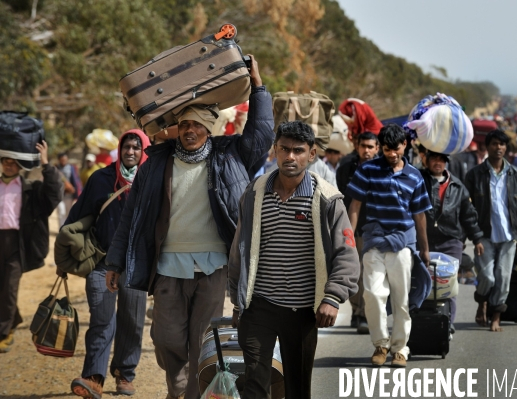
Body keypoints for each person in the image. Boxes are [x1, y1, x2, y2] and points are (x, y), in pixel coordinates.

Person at [105, 55, 274, 399]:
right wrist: (115, 261)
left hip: (213, 267)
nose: (191, 131)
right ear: (177, 129)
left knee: (202, 343)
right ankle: (176, 386)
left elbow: (260, 135)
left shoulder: (230, 157)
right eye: (185, 125)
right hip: (168, 268)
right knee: (166, 339)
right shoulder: (156, 165)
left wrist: (258, 87)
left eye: (197, 125)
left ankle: (190, 395)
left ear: (209, 128)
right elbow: (132, 216)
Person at [228, 121, 359, 399]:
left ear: (311, 155)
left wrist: (332, 297)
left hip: (302, 311)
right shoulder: (254, 194)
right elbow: (239, 248)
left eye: (298, 151)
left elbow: (346, 252)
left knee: (297, 388)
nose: (290, 157)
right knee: (254, 384)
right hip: (258, 306)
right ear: (274, 151)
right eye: (284, 149)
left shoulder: (326, 199)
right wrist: (237, 300)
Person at [65, 130, 150, 398]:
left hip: (136, 263)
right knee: (102, 319)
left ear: (143, 150)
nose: (131, 151)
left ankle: (125, 374)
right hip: (101, 260)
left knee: (132, 321)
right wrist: (62, 258)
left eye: (137, 147)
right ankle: (94, 377)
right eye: (126, 146)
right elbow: (78, 215)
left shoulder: (151, 180)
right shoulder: (100, 179)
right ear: (119, 149)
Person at [346, 124, 432, 368]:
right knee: (373, 294)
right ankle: (381, 345)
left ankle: (400, 349)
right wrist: (349, 242)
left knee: (401, 300)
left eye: (395, 149)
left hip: (403, 244)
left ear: (405, 145)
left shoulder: (415, 176)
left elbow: (420, 216)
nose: (391, 154)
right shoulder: (367, 170)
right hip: (373, 241)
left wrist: (424, 249)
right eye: (386, 149)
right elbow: (355, 206)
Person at [0, 141, 63, 353]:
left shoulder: (31, 189)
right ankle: (13, 319)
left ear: (20, 165)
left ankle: (4, 333)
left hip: (18, 245)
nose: (8, 166)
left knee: (9, 288)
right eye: (5, 162)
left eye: (12, 162)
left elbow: (54, 193)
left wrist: (45, 163)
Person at [464, 129, 517, 332]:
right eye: (494, 144)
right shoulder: (475, 175)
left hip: (508, 237)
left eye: (502, 144)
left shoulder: (515, 174)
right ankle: (482, 302)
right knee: (487, 277)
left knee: (503, 277)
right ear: (487, 147)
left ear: (506, 148)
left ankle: (496, 316)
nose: (498, 148)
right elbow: (466, 208)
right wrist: (473, 236)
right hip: (484, 236)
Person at [419, 150, 485, 333]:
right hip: (423, 240)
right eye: (434, 159)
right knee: (421, 281)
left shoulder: (458, 186)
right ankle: (419, 322)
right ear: (427, 160)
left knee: (448, 283)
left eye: (441, 159)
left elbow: (469, 216)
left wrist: (477, 239)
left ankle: (448, 323)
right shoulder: (417, 181)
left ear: (446, 163)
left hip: (451, 241)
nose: (438, 163)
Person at [336, 131, 379, 333]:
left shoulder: (382, 169)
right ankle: (356, 310)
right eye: (364, 146)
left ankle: (363, 314)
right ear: (357, 146)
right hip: (351, 227)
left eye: (371, 147)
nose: (367, 150)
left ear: (377, 148)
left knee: (369, 274)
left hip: (375, 229)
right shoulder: (346, 168)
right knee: (353, 272)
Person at [56, 152, 82, 227]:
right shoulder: (56, 168)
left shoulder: (72, 168)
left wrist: (76, 192)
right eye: (62, 160)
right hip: (59, 195)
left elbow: (76, 180)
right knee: (61, 212)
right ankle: (61, 230)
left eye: (65, 159)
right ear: (59, 160)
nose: (63, 161)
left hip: (69, 195)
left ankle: (66, 229)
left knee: (68, 213)